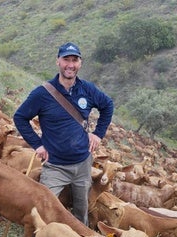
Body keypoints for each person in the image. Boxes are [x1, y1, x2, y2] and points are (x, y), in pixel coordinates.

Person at [13, 42, 114, 225]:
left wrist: (98, 134)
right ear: (58, 62)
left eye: (74, 60)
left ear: (80, 63)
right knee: (44, 210)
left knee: (81, 210)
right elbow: (20, 117)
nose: (70, 64)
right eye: (66, 59)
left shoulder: (88, 90)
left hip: (83, 164)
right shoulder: (42, 94)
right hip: (55, 166)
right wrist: (38, 145)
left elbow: (108, 106)